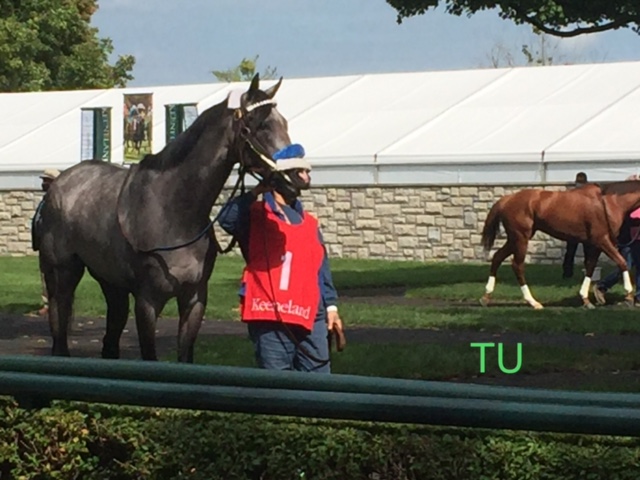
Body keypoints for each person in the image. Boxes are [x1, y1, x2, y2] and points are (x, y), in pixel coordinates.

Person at [218, 144, 345, 373]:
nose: (307, 177)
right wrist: (256, 192)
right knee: (278, 386)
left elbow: (321, 268)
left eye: (308, 172)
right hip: (270, 315)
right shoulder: (256, 216)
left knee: (319, 386)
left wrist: (331, 307)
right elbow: (226, 219)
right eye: (301, 172)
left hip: (310, 315)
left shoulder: (310, 224)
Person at [593, 175, 640, 306]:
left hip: (636, 240)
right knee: (625, 267)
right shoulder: (623, 204)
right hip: (627, 241)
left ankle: (637, 297)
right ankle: (602, 286)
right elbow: (627, 220)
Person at [31, 168, 61, 316]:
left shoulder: (60, 200)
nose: (44, 184)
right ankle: (48, 303)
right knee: (45, 275)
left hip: (57, 246)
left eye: (47, 181)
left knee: (59, 276)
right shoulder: (45, 200)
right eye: (43, 181)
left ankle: (58, 304)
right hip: (43, 244)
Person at [562, 171, 589, 278]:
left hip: (574, 228)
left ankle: (567, 273)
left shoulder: (571, 195)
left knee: (570, 251)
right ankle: (587, 272)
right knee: (584, 252)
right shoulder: (587, 197)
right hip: (581, 228)